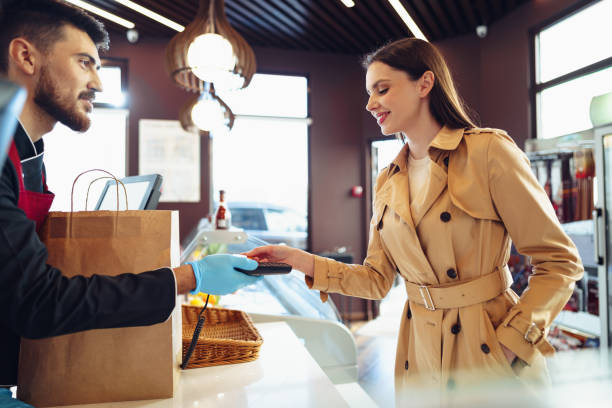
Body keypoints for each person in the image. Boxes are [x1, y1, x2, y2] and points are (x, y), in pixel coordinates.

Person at [245, 38, 584, 403]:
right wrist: (299, 260)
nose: (370, 103)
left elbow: (560, 262)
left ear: (425, 84)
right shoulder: (388, 179)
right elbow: (376, 280)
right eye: (369, 92)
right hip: (418, 352)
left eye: (382, 89)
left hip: (487, 344)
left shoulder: (488, 151)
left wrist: (513, 343)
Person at [0, 1, 260, 405]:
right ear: (25, 56)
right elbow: (39, 301)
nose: (99, 84)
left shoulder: (29, 153)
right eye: (85, 62)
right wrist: (189, 278)